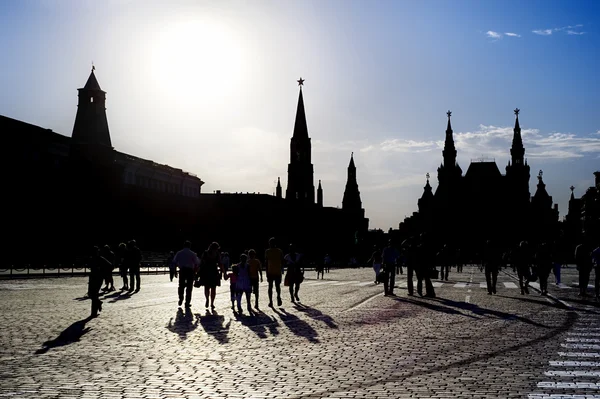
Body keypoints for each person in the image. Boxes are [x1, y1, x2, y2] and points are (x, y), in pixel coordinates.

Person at [173, 241, 200, 308]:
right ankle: (187, 302)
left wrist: (175, 271)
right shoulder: (193, 254)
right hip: (190, 271)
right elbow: (197, 263)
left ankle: (180, 298)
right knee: (189, 287)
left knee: (181, 285)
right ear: (190, 246)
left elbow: (174, 262)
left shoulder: (179, 253)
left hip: (182, 270)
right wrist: (196, 272)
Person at [199, 242, 224, 309]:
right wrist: (222, 271)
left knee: (206, 287)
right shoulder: (217, 254)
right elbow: (220, 263)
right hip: (214, 271)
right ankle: (212, 303)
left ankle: (207, 298)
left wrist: (199, 272)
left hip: (206, 271)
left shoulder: (205, 253)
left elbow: (201, 262)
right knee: (213, 288)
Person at [88, 246, 111, 318]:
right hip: (92, 277)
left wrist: (102, 271)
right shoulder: (92, 258)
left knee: (94, 294)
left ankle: (93, 313)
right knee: (91, 294)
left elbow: (110, 266)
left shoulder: (100, 259)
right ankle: (98, 303)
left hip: (98, 278)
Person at [264, 237, 284, 307]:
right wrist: (282, 270)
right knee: (277, 286)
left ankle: (271, 301)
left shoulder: (267, 251)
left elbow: (266, 263)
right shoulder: (279, 251)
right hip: (276, 271)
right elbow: (282, 261)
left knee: (270, 287)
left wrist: (266, 272)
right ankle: (277, 297)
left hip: (271, 271)